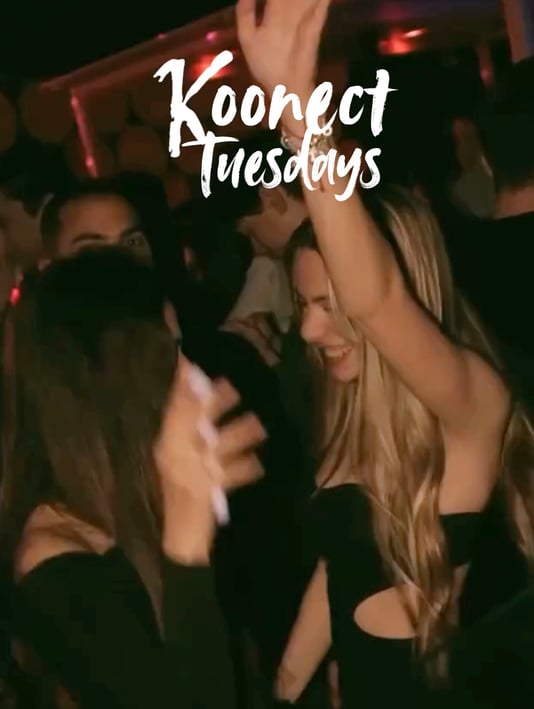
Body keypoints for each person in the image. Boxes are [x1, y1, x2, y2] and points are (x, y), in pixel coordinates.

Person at [236, 1, 534, 705]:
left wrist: (299, 114)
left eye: (330, 305)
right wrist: (286, 687)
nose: (310, 331)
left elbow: (378, 300)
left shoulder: (471, 401)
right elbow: (340, 566)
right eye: (304, 304)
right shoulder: (351, 408)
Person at [1, 247, 266, 708]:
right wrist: (187, 534)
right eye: (170, 350)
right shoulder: (53, 562)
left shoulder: (131, 501)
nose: (189, 372)